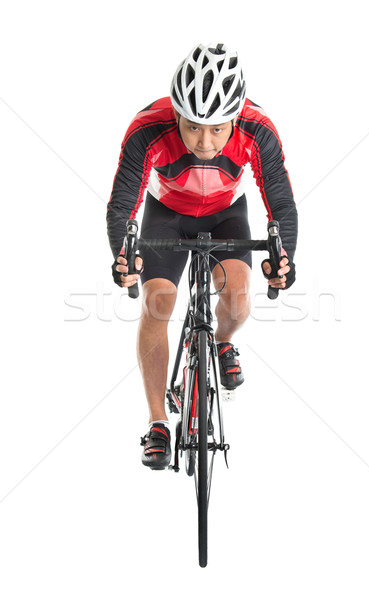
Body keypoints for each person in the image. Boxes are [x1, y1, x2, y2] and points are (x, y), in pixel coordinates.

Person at [107, 43, 298, 470]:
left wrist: (284, 259)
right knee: (158, 303)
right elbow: (123, 206)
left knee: (238, 299)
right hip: (166, 215)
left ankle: (224, 342)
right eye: (192, 127)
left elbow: (280, 205)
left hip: (227, 213)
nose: (204, 141)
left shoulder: (258, 129)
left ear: (236, 117)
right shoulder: (146, 128)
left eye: (217, 129)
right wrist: (123, 256)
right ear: (175, 113)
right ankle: (158, 422)